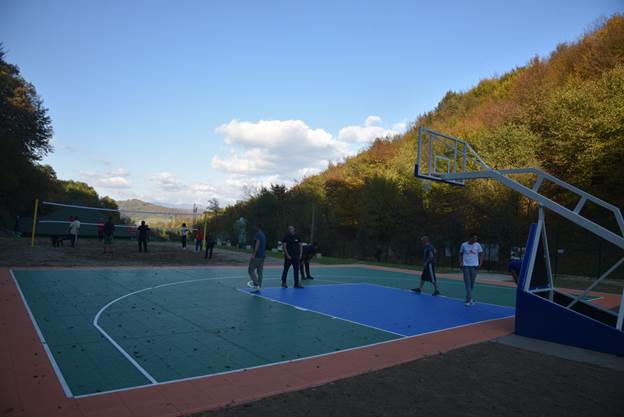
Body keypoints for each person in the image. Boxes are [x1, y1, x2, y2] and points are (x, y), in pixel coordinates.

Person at [459, 233, 484, 306]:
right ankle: (468, 300)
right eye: (474, 238)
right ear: (470, 238)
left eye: (476, 238)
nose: (476, 239)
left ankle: (469, 298)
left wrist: (480, 263)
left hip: (474, 266)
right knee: (467, 283)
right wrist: (461, 262)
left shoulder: (478, 245)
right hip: (466, 266)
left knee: (472, 283)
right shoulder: (463, 245)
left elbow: (481, 254)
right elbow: (460, 254)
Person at [248, 224, 266, 292]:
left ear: (257, 227)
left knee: (250, 269)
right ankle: (259, 286)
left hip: (257, 255)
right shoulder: (263, 235)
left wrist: (254, 253)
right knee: (260, 271)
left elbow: (257, 244)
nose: (253, 228)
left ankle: (256, 284)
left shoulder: (258, 234)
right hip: (262, 255)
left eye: (254, 227)